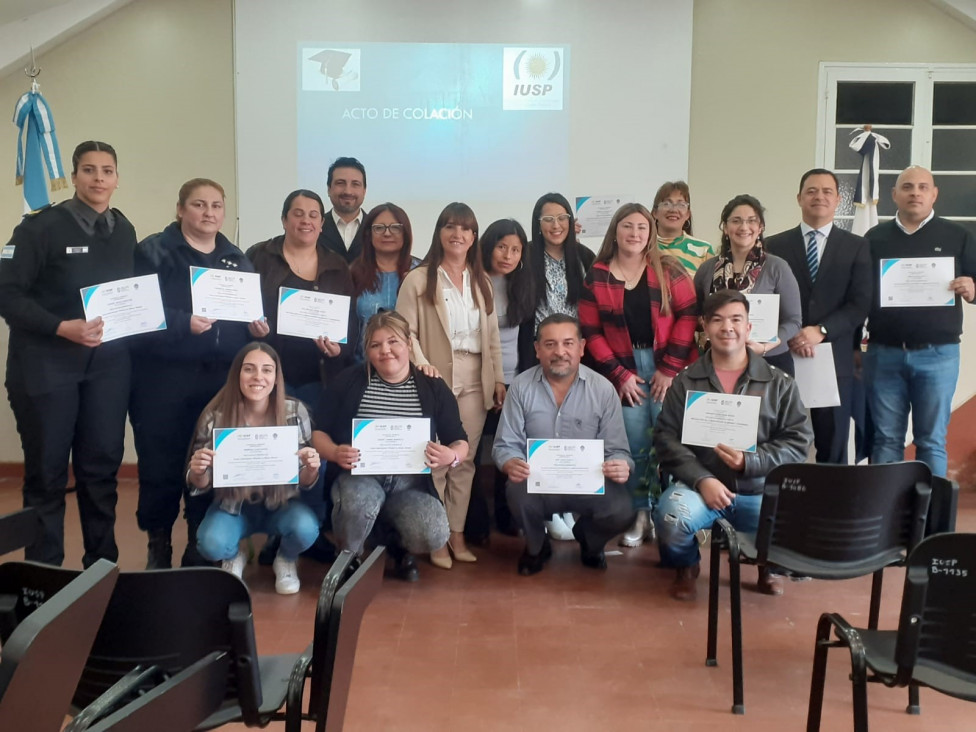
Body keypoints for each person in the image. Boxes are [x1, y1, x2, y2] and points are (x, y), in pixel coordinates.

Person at [0, 140, 136, 567]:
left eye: (107, 171)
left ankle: (101, 568)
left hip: (107, 370)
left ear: (117, 178)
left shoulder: (124, 229)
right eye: (90, 170)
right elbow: (6, 294)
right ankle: (43, 578)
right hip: (46, 368)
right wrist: (61, 327)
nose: (99, 179)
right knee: (47, 476)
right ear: (73, 176)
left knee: (100, 472)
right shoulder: (39, 228)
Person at [653, 290, 812, 601]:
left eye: (736, 319)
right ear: (705, 327)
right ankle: (686, 566)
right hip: (700, 489)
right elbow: (665, 438)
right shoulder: (685, 382)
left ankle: (769, 566)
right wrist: (703, 479)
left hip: (759, 487)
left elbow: (798, 441)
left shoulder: (779, 383)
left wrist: (750, 462)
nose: (727, 328)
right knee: (672, 516)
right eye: (718, 320)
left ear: (749, 327)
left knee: (794, 516)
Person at [130, 178, 254, 569]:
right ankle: (159, 543)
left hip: (218, 381)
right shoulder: (153, 251)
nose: (209, 213)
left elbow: (246, 316)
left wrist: (256, 327)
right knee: (161, 463)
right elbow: (133, 314)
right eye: (199, 205)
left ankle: (197, 544)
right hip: (162, 378)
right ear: (181, 209)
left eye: (216, 206)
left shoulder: (236, 257)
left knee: (209, 458)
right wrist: (183, 323)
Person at [578, 203, 698, 549]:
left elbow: (689, 317)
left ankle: (669, 514)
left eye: (642, 228)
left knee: (670, 443)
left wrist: (669, 369)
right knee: (634, 447)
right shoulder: (597, 275)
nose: (635, 233)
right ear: (615, 231)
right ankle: (640, 513)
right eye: (628, 226)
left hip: (668, 368)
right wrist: (620, 376)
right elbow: (591, 330)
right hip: (624, 370)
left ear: (651, 233)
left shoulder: (669, 269)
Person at [312, 311, 464, 581]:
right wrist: (335, 452)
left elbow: (459, 440)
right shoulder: (348, 382)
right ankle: (349, 557)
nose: (385, 351)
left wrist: (450, 455)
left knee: (433, 531)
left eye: (393, 341)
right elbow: (318, 433)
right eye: (375, 345)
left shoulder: (432, 386)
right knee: (359, 503)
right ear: (367, 350)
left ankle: (397, 548)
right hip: (360, 477)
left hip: (409, 484)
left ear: (408, 344)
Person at [396, 202, 505, 568]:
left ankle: (457, 535)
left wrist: (499, 378)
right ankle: (437, 536)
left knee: (465, 461)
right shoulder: (419, 278)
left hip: (476, 378)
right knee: (438, 461)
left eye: (465, 229)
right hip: (435, 377)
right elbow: (404, 331)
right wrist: (421, 362)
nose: (458, 234)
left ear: (474, 237)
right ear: (439, 232)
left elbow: (491, 338)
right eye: (450, 227)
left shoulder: (482, 281)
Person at [492, 314, 635, 575]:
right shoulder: (521, 387)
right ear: (537, 349)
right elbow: (505, 445)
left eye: (568, 343)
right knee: (515, 491)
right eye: (550, 344)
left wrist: (622, 465)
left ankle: (590, 543)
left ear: (581, 348)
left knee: (622, 510)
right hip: (538, 483)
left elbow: (618, 450)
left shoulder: (603, 389)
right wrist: (510, 462)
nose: (560, 352)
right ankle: (536, 547)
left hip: (589, 485)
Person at [863, 166, 976, 478]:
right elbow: (860, 293)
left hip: (938, 355)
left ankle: (933, 521)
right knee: (885, 440)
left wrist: (972, 288)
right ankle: (884, 517)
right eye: (908, 187)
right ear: (894, 195)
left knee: (931, 441)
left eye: (923, 187)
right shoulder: (875, 238)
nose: (915, 193)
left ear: (934, 194)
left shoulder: (958, 236)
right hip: (883, 353)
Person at [187, 342, 322, 594]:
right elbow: (200, 482)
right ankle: (233, 555)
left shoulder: (295, 411)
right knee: (210, 543)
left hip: (282, 504)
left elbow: (305, 480)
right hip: (233, 507)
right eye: (249, 369)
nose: (258, 377)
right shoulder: (215, 415)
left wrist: (311, 467)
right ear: (237, 374)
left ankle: (285, 558)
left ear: (276, 377)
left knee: (306, 530)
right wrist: (198, 472)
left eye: (267, 370)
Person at [766, 168, 872, 464]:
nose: (819, 196)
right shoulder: (773, 246)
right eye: (812, 191)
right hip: (782, 355)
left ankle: (829, 507)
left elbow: (861, 303)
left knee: (833, 443)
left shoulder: (857, 246)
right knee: (778, 436)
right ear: (799, 198)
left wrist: (821, 330)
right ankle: (780, 504)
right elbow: (765, 298)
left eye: (827, 191)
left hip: (834, 357)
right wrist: (790, 332)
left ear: (839, 200)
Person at [246, 189, 357, 409]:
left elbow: (350, 321)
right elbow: (240, 309)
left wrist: (339, 350)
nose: (306, 220)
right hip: (269, 376)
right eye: (298, 214)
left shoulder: (336, 265)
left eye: (313, 215)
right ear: (284, 220)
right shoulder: (259, 256)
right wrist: (252, 330)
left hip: (319, 377)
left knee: (312, 440)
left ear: (322, 223)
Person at [526, 192, 595, 539]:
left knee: (571, 427)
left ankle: (569, 504)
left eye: (562, 217)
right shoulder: (524, 256)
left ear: (571, 221)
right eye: (547, 219)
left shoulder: (583, 257)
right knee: (541, 426)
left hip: (574, 356)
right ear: (537, 225)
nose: (556, 225)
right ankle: (546, 508)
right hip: (539, 354)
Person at [466, 219, 536, 541]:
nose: (508, 255)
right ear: (488, 246)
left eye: (515, 249)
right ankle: (474, 521)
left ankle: (507, 516)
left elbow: (525, 341)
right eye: (502, 247)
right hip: (474, 379)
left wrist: (519, 383)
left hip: (512, 381)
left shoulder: (522, 283)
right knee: (472, 451)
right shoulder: (469, 281)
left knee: (508, 448)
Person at [694, 194, 802, 375]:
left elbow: (793, 321)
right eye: (736, 221)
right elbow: (696, 315)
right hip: (718, 361)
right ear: (725, 228)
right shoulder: (707, 269)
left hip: (769, 361)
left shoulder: (777, 267)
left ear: (760, 228)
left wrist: (767, 346)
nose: (744, 227)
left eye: (751, 221)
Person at [350, 202, 420, 362]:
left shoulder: (420, 273)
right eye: (379, 228)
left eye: (395, 227)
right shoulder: (353, 273)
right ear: (368, 234)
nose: (387, 233)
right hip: (362, 367)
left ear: (406, 233)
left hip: (412, 367)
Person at [651, 181, 716, 275]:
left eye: (681, 205)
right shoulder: (643, 247)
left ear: (687, 215)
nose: (673, 210)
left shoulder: (704, 250)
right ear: (655, 213)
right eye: (666, 204)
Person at [319, 156, 367, 262]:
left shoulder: (375, 228)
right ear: (329, 189)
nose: (348, 191)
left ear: (364, 191)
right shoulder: (314, 228)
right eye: (340, 183)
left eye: (355, 184)